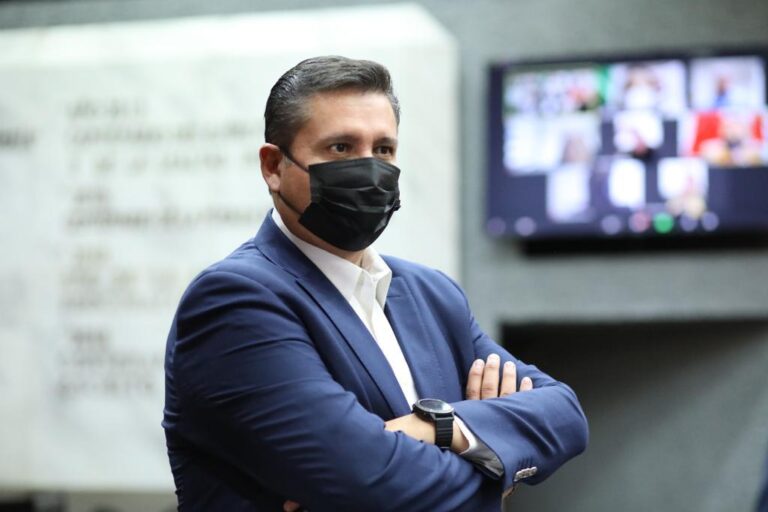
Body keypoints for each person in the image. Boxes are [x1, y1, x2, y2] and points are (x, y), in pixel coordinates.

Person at [162, 56, 588, 511]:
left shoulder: (432, 295)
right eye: (341, 147)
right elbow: (370, 484)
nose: (368, 169)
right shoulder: (235, 301)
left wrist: (435, 427)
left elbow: (565, 415)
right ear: (273, 166)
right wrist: (493, 461)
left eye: (383, 149)